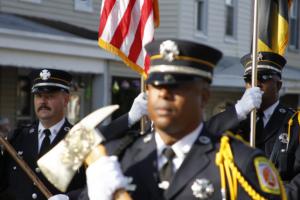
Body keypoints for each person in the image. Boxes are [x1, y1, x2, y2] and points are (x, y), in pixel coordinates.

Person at [80, 39, 286, 200]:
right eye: (157, 86)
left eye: (177, 87)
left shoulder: (239, 164)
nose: (164, 95)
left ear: (204, 96)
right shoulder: (119, 159)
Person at [208, 51, 300, 199]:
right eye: (249, 79)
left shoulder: (295, 123)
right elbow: (204, 136)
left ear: (278, 84)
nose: (256, 84)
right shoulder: (236, 119)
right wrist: (238, 111)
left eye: (263, 77)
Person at [0, 69, 86, 200]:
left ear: (66, 99)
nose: (43, 101)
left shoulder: (81, 139)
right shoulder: (17, 138)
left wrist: (70, 198)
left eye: (50, 96)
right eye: (38, 96)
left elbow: (97, 187)